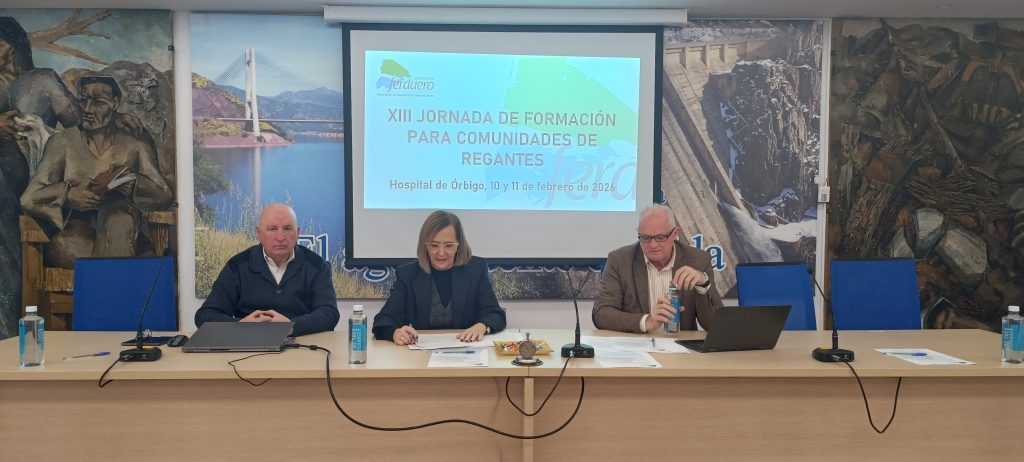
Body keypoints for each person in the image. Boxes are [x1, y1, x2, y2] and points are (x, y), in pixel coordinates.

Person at [19, 75, 171, 268]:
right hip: (75, 237)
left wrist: (135, 183)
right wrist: (67, 195)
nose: (88, 109)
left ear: (115, 104)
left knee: (120, 217)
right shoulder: (62, 143)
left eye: (99, 103)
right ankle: (113, 280)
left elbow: (164, 195)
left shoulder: (135, 144)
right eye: (83, 100)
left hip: (123, 231)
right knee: (136, 258)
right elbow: (28, 198)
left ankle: (104, 281)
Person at [195, 203, 340, 337]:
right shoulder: (238, 266)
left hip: (301, 343)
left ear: (297, 233)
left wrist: (291, 326)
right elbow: (205, 316)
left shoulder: (316, 265)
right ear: (259, 233)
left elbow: (329, 314)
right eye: (272, 229)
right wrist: (240, 325)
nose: (280, 237)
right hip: (249, 343)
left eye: (287, 228)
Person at [373, 210, 507, 344]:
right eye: (434, 245)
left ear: (458, 245)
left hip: (466, 349)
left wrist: (482, 326)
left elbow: (496, 314)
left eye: (448, 246)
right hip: (419, 353)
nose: (441, 253)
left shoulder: (475, 270)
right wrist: (395, 332)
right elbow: (383, 321)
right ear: (425, 246)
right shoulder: (408, 274)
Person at [592, 205, 722, 333]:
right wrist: (647, 321)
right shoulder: (620, 260)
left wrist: (703, 284)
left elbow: (715, 325)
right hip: (637, 343)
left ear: (675, 234)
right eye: (645, 238)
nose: (653, 245)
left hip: (681, 344)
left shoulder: (698, 260)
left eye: (660, 237)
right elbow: (601, 313)